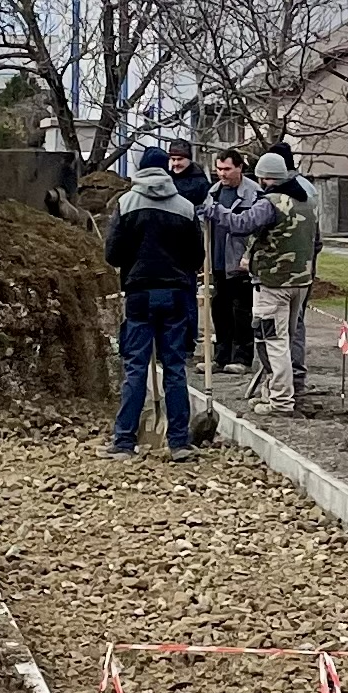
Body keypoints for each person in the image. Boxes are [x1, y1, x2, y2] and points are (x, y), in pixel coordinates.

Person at [201, 152, 321, 415]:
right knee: (287, 339)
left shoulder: (271, 203)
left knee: (272, 341)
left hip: (272, 283)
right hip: (301, 281)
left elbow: (241, 224)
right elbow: (317, 242)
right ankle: (280, 392)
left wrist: (213, 210)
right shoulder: (309, 201)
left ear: (265, 178)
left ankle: (280, 401)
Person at [103, 145, 204, 460]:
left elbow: (112, 254)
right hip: (175, 294)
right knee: (174, 367)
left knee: (135, 367)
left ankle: (123, 443)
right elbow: (197, 257)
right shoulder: (185, 207)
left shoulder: (126, 203)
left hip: (139, 294)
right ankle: (179, 443)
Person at [205, 149, 260, 373]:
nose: (222, 174)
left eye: (227, 169)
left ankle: (242, 358)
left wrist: (248, 256)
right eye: (219, 169)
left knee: (242, 312)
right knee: (220, 310)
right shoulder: (214, 192)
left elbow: (257, 230)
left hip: (239, 263)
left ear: (239, 167)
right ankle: (221, 356)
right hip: (217, 261)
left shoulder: (253, 194)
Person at [165, 138, 211, 205]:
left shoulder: (201, 182)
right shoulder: (166, 178)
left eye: (180, 159)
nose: (176, 163)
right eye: (173, 159)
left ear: (189, 159)